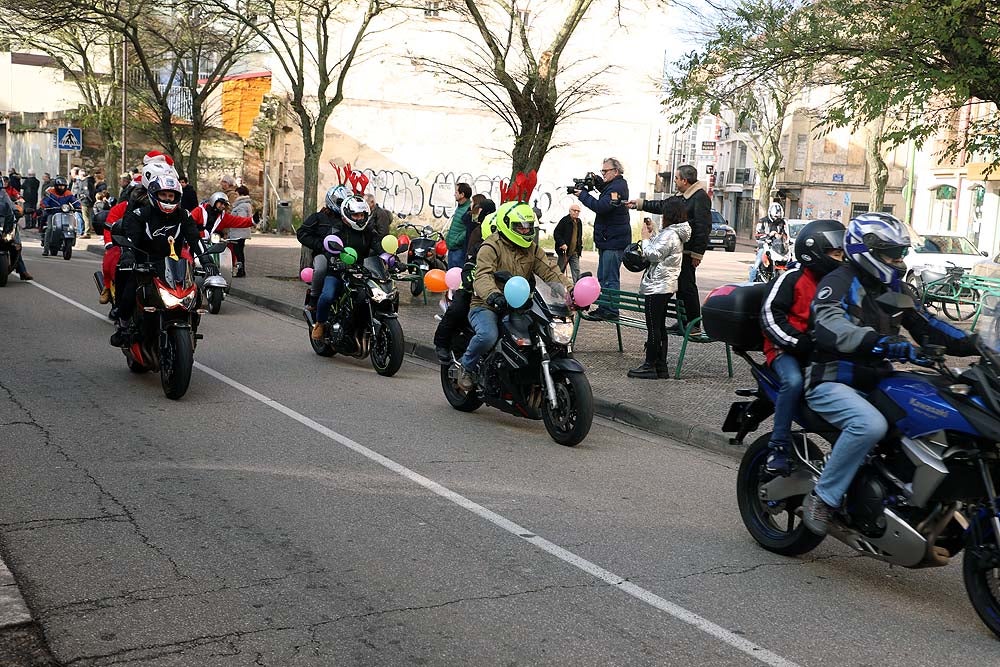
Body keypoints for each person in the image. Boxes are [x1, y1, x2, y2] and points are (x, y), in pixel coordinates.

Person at [800, 213, 979, 535]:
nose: (898, 260)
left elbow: (928, 326)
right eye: (890, 253)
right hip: (833, 378)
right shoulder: (839, 283)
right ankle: (823, 497)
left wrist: (976, 343)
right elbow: (830, 327)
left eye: (901, 252)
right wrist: (882, 342)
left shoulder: (897, 287)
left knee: (940, 409)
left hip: (878, 380)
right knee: (868, 424)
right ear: (864, 249)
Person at [758, 219, 845, 474]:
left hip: (820, 352)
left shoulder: (839, 284)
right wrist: (798, 342)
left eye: (842, 253)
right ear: (814, 251)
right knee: (793, 382)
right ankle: (779, 446)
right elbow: (769, 316)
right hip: (784, 350)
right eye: (835, 253)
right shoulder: (792, 279)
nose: (841, 259)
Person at [456, 201, 573, 390]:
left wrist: (570, 290)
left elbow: (551, 272)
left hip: (522, 304)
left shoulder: (532, 249)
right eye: (520, 227)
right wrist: (494, 295)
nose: (526, 231)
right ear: (505, 224)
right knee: (488, 335)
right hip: (487, 304)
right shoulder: (491, 246)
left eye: (528, 227)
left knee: (546, 336)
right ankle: (467, 366)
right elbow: (482, 276)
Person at [110, 173, 216, 347]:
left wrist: (207, 262)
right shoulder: (140, 214)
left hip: (174, 265)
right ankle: (123, 326)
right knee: (130, 286)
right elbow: (130, 239)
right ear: (154, 195)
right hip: (145, 263)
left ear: (177, 197)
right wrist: (128, 255)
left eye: (171, 195)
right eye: (163, 195)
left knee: (194, 295)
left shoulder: (184, 215)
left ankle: (191, 327)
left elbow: (195, 239)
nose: (167, 199)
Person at [302, 194, 381, 341]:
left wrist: (390, 259)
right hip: (338, 271)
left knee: (374, 296)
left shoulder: (369, 231)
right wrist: (335, 259)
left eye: (362, 214)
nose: (359, 218)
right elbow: (329, 247)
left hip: (362, 272)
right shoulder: (337, 229)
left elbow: (378, 245)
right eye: (356, 215)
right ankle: (320, 323)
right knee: (327, 296)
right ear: (347, 215)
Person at [627, 198, 690, 380]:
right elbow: (661, 250)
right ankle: (661, 367)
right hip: (664, 284)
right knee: (659, 326)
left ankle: (650, 365)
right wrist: (653, 232)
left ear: (669, 214)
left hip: (658, 286)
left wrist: (645, 239)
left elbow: (653, 254)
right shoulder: (673, 233)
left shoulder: (671, 234)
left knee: (653, 326)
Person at [434, 195, 497, 364]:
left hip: (496, 290)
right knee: (458, 309)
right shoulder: (478, 234)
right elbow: (471, 260)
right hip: (471, 284)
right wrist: (472, 283)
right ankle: (441, 343)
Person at [576, 158, 629, 320]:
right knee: (603, 277)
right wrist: (597, 183)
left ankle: (611, 310)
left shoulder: (618, 186)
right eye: (602, 172)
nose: (603, 174)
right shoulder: (614, 186)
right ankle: (604, 307)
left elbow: (603, 206)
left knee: (610, 278)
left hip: (613, 241)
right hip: (608, 240)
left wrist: (583, 195)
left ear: (616, 171)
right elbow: (605, 194)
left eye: (605, 171)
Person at [297, 185, 351, 314]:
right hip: (323, 254)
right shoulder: (319, 217)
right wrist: (320, 245)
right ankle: (314, 299)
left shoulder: (349, 219)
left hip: (345, 255)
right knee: (321, 267)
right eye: (340, 202)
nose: (343, 205)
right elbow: (302, 233)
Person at [39, 177, 81, 256]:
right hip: (52, 213)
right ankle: (46, 249)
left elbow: (74, 200)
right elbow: (45, 201)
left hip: (65, 213)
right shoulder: (50, 192)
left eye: (63, 186)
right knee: (50, 228)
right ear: (56, 186)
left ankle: (71, 240)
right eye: (59, 186)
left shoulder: (68, 193)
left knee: (71, 227)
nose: (61, 188)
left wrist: (78, 206)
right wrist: (46, 206)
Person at [749, 201, 788, 281]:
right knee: (756, 265)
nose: (776, 218)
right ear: (770, 213)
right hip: (764, 246)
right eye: (775, 216)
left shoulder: (782, 223)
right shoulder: (762, 221)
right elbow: (757, 235)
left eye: (778, 216)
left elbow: (786, 234)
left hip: (777, 247)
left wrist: (785, 239)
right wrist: (770, 235)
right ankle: (750, 283)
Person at [0, 186, 31, 280]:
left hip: (2, 225)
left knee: (15, 244)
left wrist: (17, 211)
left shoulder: (2, 193)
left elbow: (10, 205)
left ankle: (22, 270)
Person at [553, 204, 584, 282]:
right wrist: (562, 243)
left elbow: (579, 236)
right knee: (560, 272)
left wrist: (579, 247)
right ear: (570, 211)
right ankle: (555, 292)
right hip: (564, 251)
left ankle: (577, 291)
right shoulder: (564, 220)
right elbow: (556, 233)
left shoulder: (579, 222)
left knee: (576, 271)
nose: (576, 212)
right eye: (574, 210)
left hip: (574, 251)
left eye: (578, 211)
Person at [445, 182, 472, 269]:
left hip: (459, 249)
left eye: (456, 192)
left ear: (462, 194)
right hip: (452, 247)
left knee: (457, 276)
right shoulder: (460, 207)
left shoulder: (468, 209)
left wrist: (457, 240)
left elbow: (468, 229)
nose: (454, 194)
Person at [228, 185, 254, 277]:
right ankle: (241, 270)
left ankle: (240, 271)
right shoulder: (245, 204)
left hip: (238, 233)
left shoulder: (242, 206)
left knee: (238, 253)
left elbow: (241, 219)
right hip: (241, 232)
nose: (235, 196)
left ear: (241, 194)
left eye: (236, 194)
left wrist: (231, 219)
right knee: (240, 252)